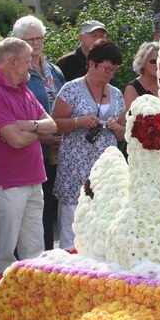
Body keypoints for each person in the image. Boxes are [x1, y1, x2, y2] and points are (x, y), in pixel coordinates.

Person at [0, 38, 57, 274]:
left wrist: (28, 125)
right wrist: (38, 130)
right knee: (6, 251)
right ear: (13, 62)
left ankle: (33, 293)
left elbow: (52, 125)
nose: (31, 66)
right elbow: (16, 141)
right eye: (27, 61)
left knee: (35, 250)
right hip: (9, 183)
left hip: (34, 178)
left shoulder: (25, 91)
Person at [51, 40, 126, 249]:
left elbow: (123, 133)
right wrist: (78, 121)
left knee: (104, 221)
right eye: (107, 69)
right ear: (92, 64)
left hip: (105, 171)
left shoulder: (116, 93)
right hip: (75, 168)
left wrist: (116, 128)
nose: (110, 74)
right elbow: (54, 124)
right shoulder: (71, 89)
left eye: (114, 70)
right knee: (72, 223)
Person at [13, 15, 66, 252]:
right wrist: (42, 132)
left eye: (39, 38)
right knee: (34, 211)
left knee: (51, 208)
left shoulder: (54, 70)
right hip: (33, 148)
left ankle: (48, 256)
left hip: (57, 147)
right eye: (30, 39)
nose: (36, 43)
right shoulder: (17, 72)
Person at [124, 42, 159, 111]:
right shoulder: (132, 89)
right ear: (143, 62)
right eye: (153, 61)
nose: (157, 64)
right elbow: (129, 116)